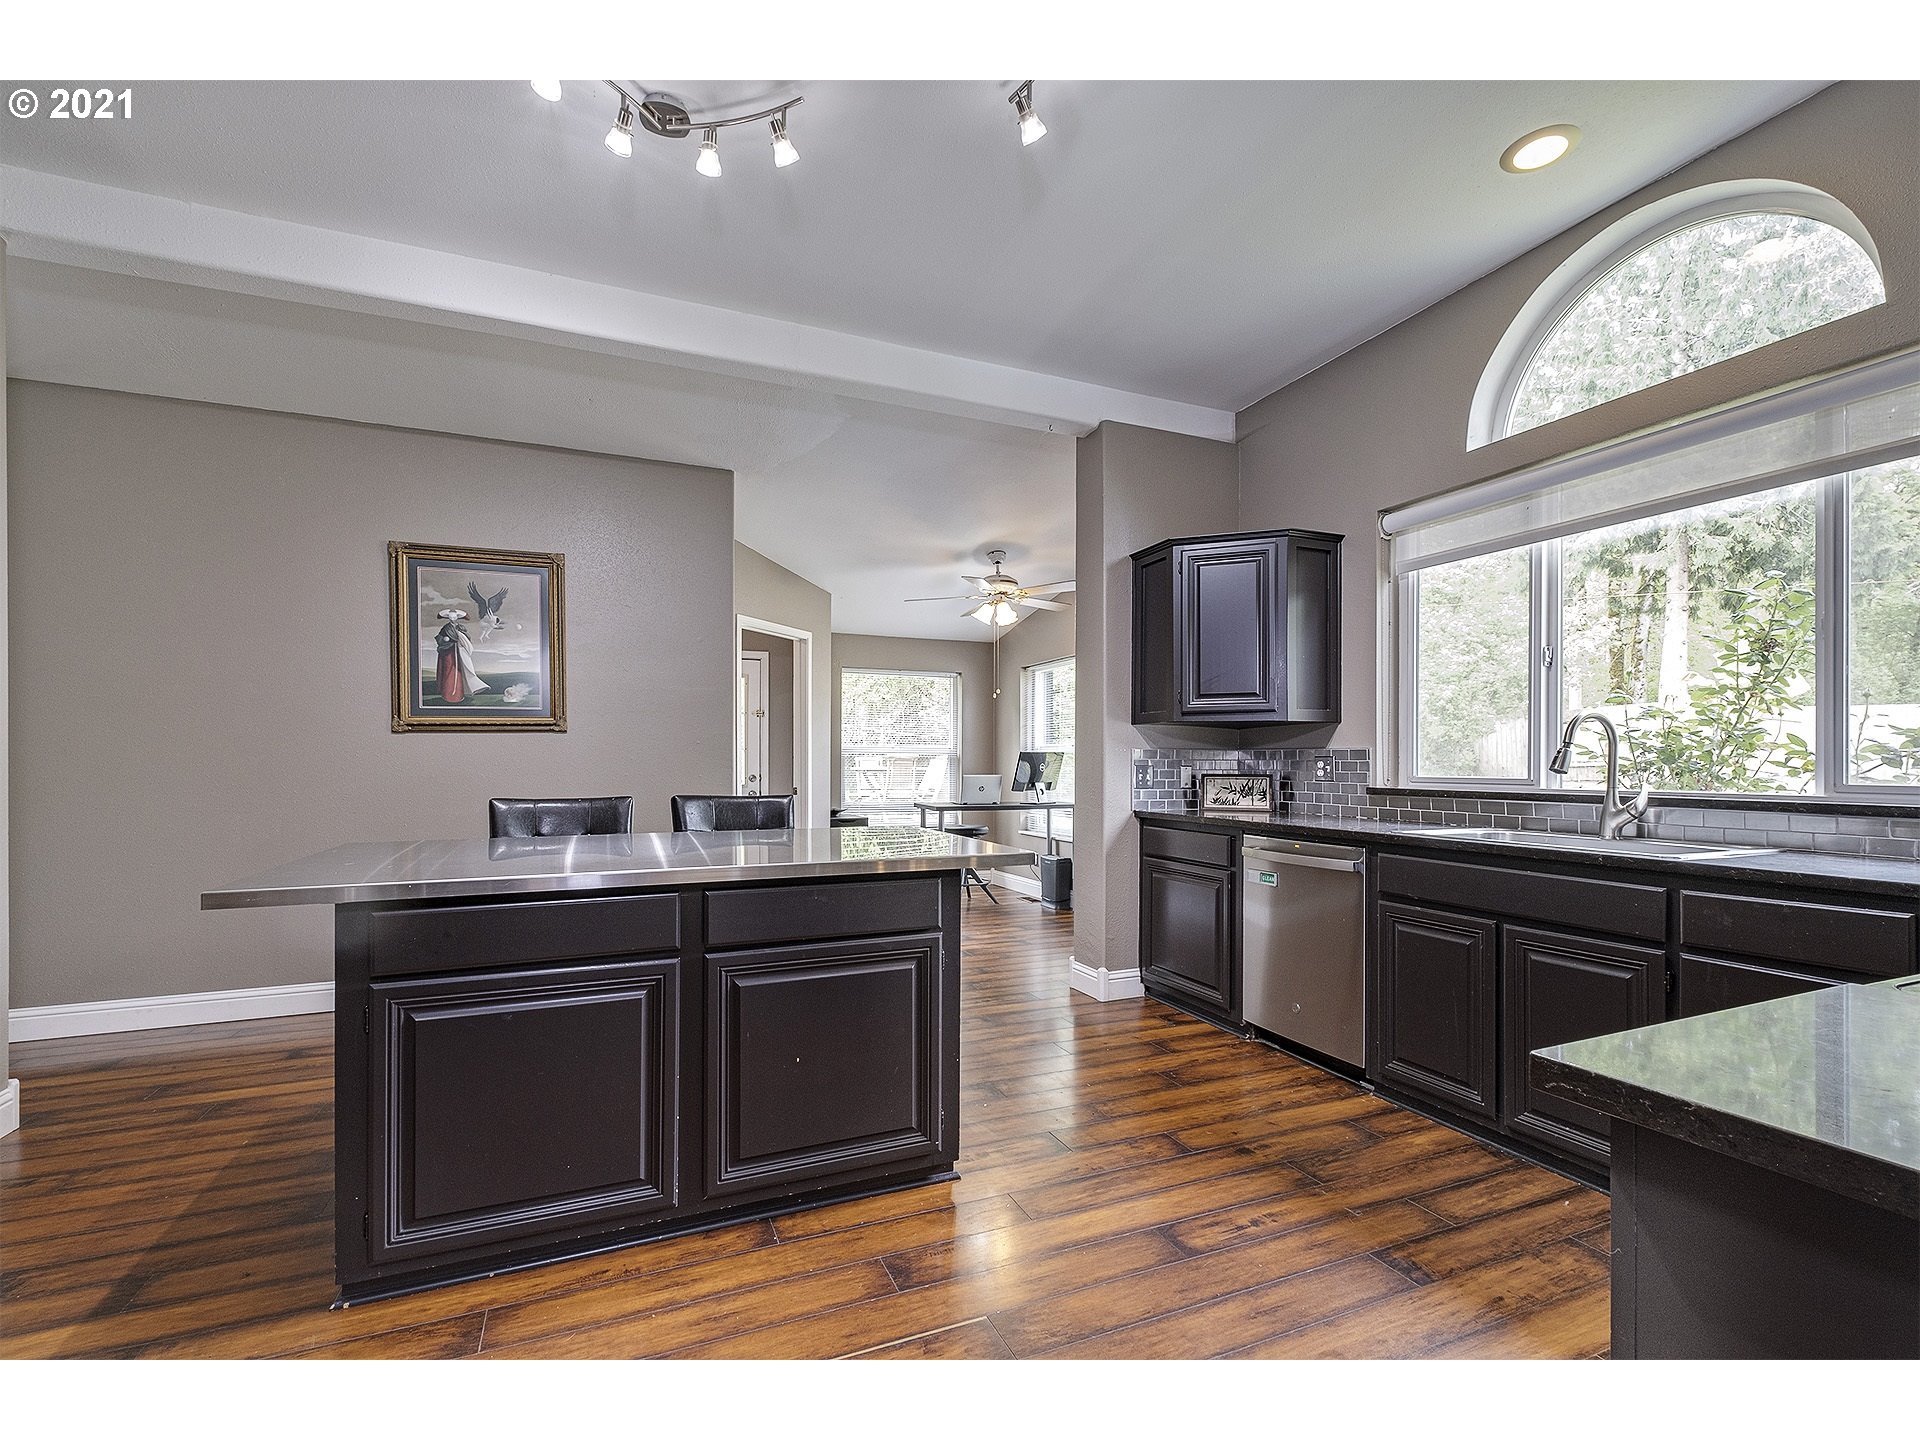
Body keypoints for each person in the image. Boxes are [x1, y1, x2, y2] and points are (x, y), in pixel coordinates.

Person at [432, 608, 491, 704]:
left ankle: (458, 695)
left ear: (457, 617)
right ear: (448, 618)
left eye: (454, 617)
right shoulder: (446, 628)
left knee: (460, 672)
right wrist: (446, 640)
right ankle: (448, 695)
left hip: (460, 653)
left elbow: (467, 638)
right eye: (450, 617)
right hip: (449, 653)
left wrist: (461, 637)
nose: (452, 618)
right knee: (449, 673)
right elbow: (440, 639)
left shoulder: (461, 627)